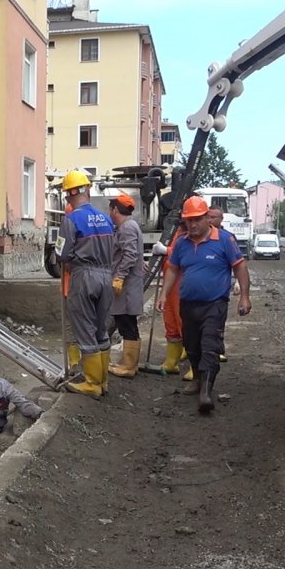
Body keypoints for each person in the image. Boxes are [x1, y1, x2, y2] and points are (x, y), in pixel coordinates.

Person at [157, 196, 252, 414]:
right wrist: (164, 294)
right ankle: (198, 380)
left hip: (214, 304)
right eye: (189, 220)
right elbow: (172, 268)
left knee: (210, 345)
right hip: (188, 304)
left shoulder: (224, 240)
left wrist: (244, 296)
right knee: (192, 345)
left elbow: (240, 266)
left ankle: (206, 393)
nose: (193, 224)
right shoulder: (181, 243)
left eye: (197, 219)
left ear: (207, 218)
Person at [57, 170, 116, 398]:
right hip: (106, 275)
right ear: (88, 190)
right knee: (101, 331)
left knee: (84, 328)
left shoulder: (71, 220)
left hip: (84, 276)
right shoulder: (106, 218)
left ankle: (91, 383)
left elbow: (62, 254)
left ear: (68, 195)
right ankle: (103, 381)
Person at [107, 195, 146, 378]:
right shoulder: (129, 226)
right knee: (127, 323)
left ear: (115, 209)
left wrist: (119, 276)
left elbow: (129, 255)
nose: (110, 213)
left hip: (127, 286)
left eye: (110, 209)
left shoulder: (127, 228)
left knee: (126, 322)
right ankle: (129, 363)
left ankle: (129, 366)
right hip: (128, 284)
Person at [152, 223, 194, 381]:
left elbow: (187, 253)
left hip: (183, 282)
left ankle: (195, 366)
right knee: (170, 321)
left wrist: (166, 251)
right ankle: (171, 361)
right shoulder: (174, 230)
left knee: (186, 324)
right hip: (170, 282)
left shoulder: (192, 233)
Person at [207, 206, 238, 362]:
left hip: (220, 290)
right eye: (209, 216)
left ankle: (218, 350)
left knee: (218, 322)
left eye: (214, 217)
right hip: (202, 290)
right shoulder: (200, 237)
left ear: (221, 219)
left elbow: (237, 263)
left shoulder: (227, 237)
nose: (210, 220)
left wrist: (237, 282)